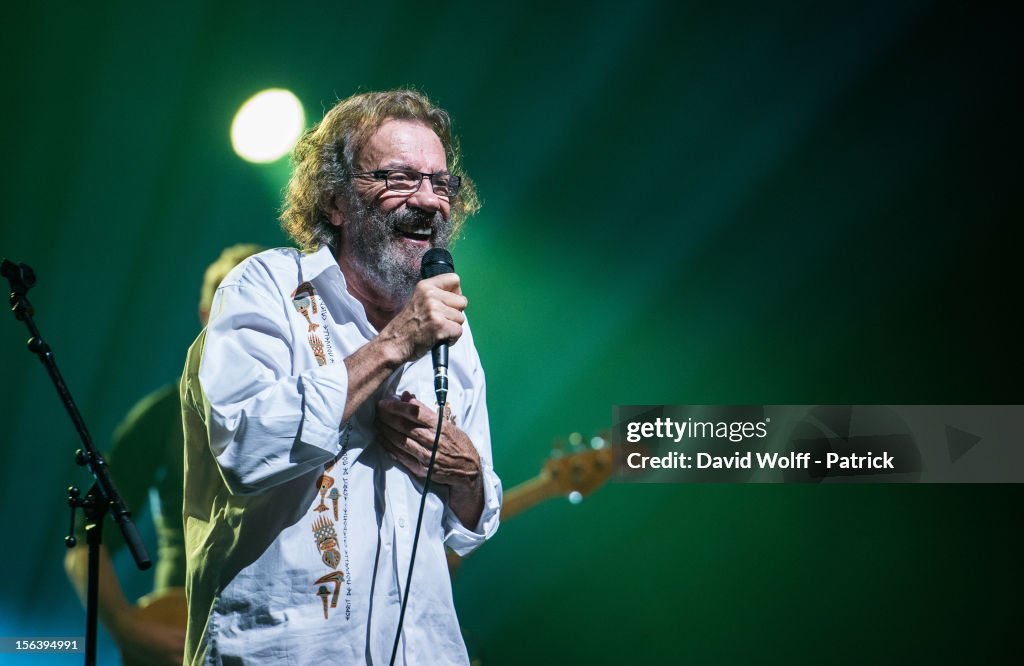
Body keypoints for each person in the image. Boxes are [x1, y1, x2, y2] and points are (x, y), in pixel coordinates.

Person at [180, 89, 502, 665]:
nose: (428, 200)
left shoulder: (453, 328)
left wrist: (468, 476)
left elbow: (472, 524)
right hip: (284, 652)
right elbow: (245, 448)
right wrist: (396, 342)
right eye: (400, 178)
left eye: (441, 182)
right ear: (334, 200)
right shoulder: (269, 287)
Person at [63, 243, 264, 666]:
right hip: (183, 631)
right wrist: (123, 625)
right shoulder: (163, 414)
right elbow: (87, 543)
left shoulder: (322, 407)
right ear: (206, 315)